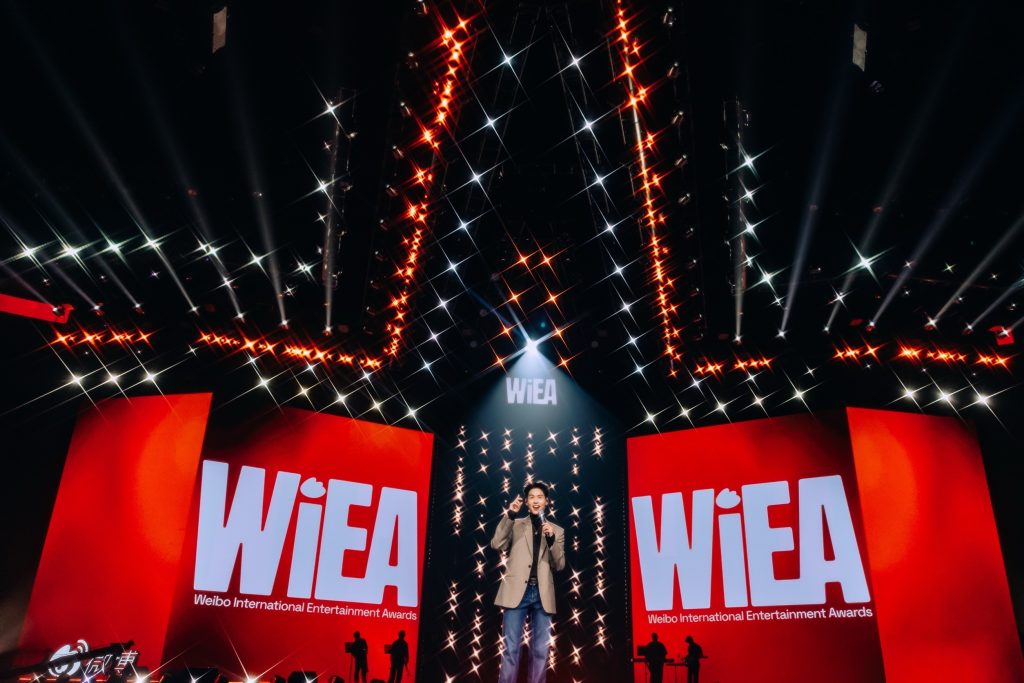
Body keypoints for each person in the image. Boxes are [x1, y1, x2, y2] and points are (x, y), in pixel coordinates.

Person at [491, 482, 566, 683]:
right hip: (517, 592)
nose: (535, 501)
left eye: (540, 497)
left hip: (542, 594)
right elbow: (496, 544)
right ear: (526, 501)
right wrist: (510, 515)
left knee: (541, 651)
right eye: (531, 497)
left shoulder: (557, 530)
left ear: (546, 501)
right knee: (510, 649)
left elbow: (559, 565)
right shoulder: (515, 524)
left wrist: (551, 540)